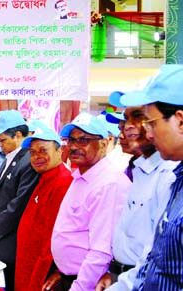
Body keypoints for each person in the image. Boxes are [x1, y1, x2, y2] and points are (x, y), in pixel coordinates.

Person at [94, 91, 177, 291]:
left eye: (140, 117)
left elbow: (158, 255)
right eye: (126, 119)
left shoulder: (169, 174)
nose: (129, 126)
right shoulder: (139, 170)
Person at [43, 112, 131, 291]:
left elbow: (101, 251)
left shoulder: (109, 184)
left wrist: (79, 287)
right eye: (71, 140)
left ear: (104, 143)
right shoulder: (80, 178)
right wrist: (61, 272)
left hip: (88, 283)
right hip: (71, 278)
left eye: (83, 140)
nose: (74, 146)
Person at [117, 64, 183, 291]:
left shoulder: (167, 175)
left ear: (180, 121)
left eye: (150, 123)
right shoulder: (178, 179)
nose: (149, 132)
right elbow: (154, 260)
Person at [0, 110, 40, 291]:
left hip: (10, 243)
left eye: (3, 139)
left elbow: (17, 206)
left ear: (18, 135)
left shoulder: (28, 162)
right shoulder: (8, 158)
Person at [15, 125, 72, 291]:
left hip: (41, 273)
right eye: (32, 153)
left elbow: (52, 237)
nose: (37, 157)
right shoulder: (44, 177)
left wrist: (39, 278)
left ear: (59, 150)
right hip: (27, 265)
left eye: (43, 150)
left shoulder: (63, 182)